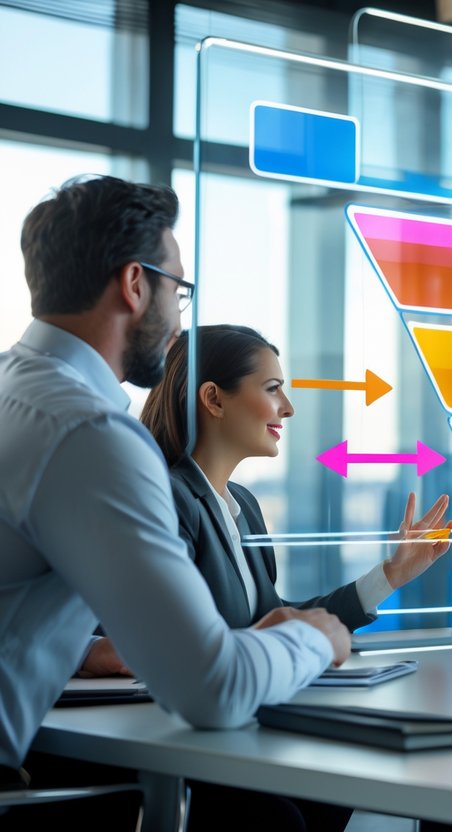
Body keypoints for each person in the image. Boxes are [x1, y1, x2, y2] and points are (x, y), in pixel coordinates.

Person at [0, 175, 348, 826]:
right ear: (135, 284)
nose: (179, 318)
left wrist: (79, 647)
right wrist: (312, 640)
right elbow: (215, 689)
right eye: (179, 290)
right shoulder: (90, 433)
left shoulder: (15, 394)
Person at [135, 324, 452, 631]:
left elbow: (272, 619)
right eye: (272, 388)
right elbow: (185, 641)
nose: (288, 408)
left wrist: (390, 575)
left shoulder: (243, 505)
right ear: (214, 399)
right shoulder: (168, 500)